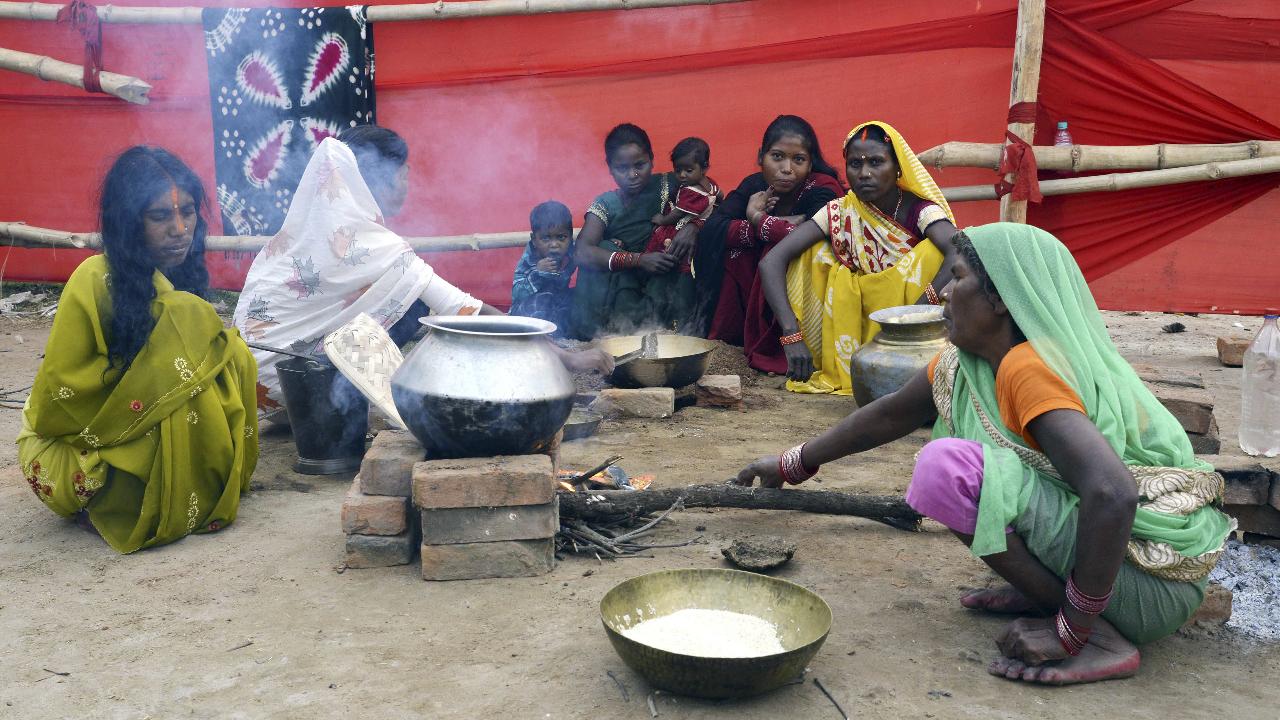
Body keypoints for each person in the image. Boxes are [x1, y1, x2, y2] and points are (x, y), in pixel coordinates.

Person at [736, 224, 1234, 686]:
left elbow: (1113, 493)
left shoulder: (1028, 369)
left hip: (1150, 581)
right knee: (971, 475)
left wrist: (1074, 626)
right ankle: (1050, 595)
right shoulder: (969, 361)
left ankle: (1093, 633)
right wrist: (792, 462)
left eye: (958, 278)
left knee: (946, 470)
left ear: (1000, 299)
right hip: (1120, 570)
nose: (945, 293)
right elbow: (891, 414)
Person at [236, 126, 609, 422]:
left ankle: (328, 410)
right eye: (403, 173)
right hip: (296, 391)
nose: (407, 182)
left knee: (410, 299)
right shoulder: (373, 247)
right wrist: (565, 358)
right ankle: (339, 412)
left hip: (253, 386)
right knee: (417, 303)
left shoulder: (291, 240)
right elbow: (469, 311)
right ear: (374, 178)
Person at [17, 146, 259, 553]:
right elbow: (59, 400)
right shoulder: (93, 279)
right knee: (193, 327)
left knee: (230, 352)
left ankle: (186, 479)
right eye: (160, 216)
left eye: (187, 212)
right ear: (130, 222)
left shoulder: (182, 273)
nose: (180, 228)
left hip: (147, 434)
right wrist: (151, 392)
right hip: (85, 450)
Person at [757, 121, 959, 395]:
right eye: (855, 164)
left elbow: (959, 249)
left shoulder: (920, 210)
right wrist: (791, 335)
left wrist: (913, 317)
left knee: (936, 252)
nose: (865, 173)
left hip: (917, 328)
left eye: (876, 162)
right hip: (853, 325)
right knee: (813, 255)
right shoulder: (840, 211)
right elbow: (772, 261)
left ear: (898, 167)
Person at [693, 115, 844, 365]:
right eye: (777, 157)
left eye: (798, 159)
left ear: (811, 163)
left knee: (780, 249)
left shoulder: (823, 187)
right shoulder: (755, 184)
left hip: (807, 288)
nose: (786, 169)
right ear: (761, 156)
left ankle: (784, 341)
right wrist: (760, 228)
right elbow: (713, 229)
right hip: (760, 279)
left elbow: (807, 234)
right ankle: (735, 335)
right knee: (735, 252)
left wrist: (756, 217)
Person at [570, 123, 700, 338]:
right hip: (623, 290)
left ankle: (676, 331)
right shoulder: (605, 203)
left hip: (664, 280)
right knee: (601, 249)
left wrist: (694, 227)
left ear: (652, 159)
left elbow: (715, 203)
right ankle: (599, 335)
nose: (632, 175)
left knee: (685, 249)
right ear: (609, 167)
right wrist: (638, 260)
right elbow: (581, 251)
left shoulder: (673, 183)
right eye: (622, 168)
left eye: (640, 165)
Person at [511, 200, 575, 335]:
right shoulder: (529, 259)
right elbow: (517, 294)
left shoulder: (573, 251)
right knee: (540, 301)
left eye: (561, 237)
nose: (554, 245)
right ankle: (539, 339)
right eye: (546, 238)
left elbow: (589, 249)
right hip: (530, 310)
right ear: (534, 240)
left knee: (579, 298)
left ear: (570, 237)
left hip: (558, 302)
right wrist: (537, 273)